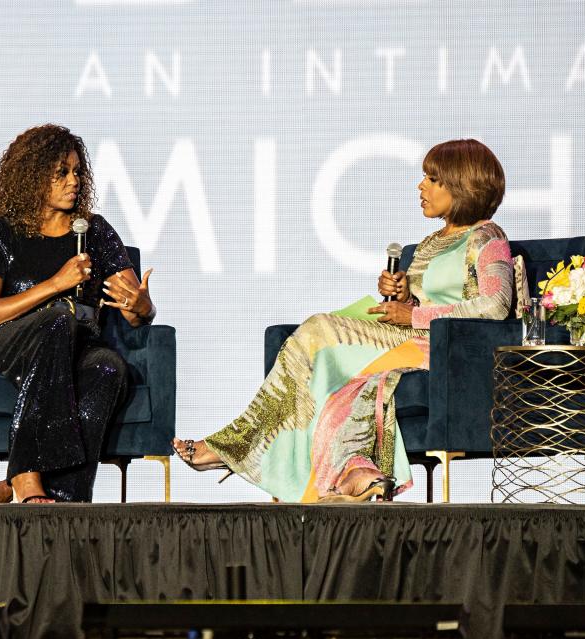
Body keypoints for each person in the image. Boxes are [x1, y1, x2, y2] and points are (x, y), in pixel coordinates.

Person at [173, 139, 512, 503]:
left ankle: (236, 446)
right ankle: (356, 471)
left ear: (462, 185)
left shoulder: (487, 236)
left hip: (445, 351)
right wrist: (402, 296)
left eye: (433, 179)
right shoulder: (430, 242)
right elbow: (431, 299)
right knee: (321, 361)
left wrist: (413, 313)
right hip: (406, 338)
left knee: (320, 328)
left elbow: (495, 304)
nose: (421, 186)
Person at [0, 124, 156, 504]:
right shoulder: (0, 232)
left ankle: (62, 505)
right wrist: (55, 284)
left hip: (76, 348)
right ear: (33, 178)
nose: (74, 181)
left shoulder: (96, 233)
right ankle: (24, 473)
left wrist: (142, 307)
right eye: (61, 173)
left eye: (77, 172)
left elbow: (135, 306)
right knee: (59, 317)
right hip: (4, 345)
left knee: (109, 368)